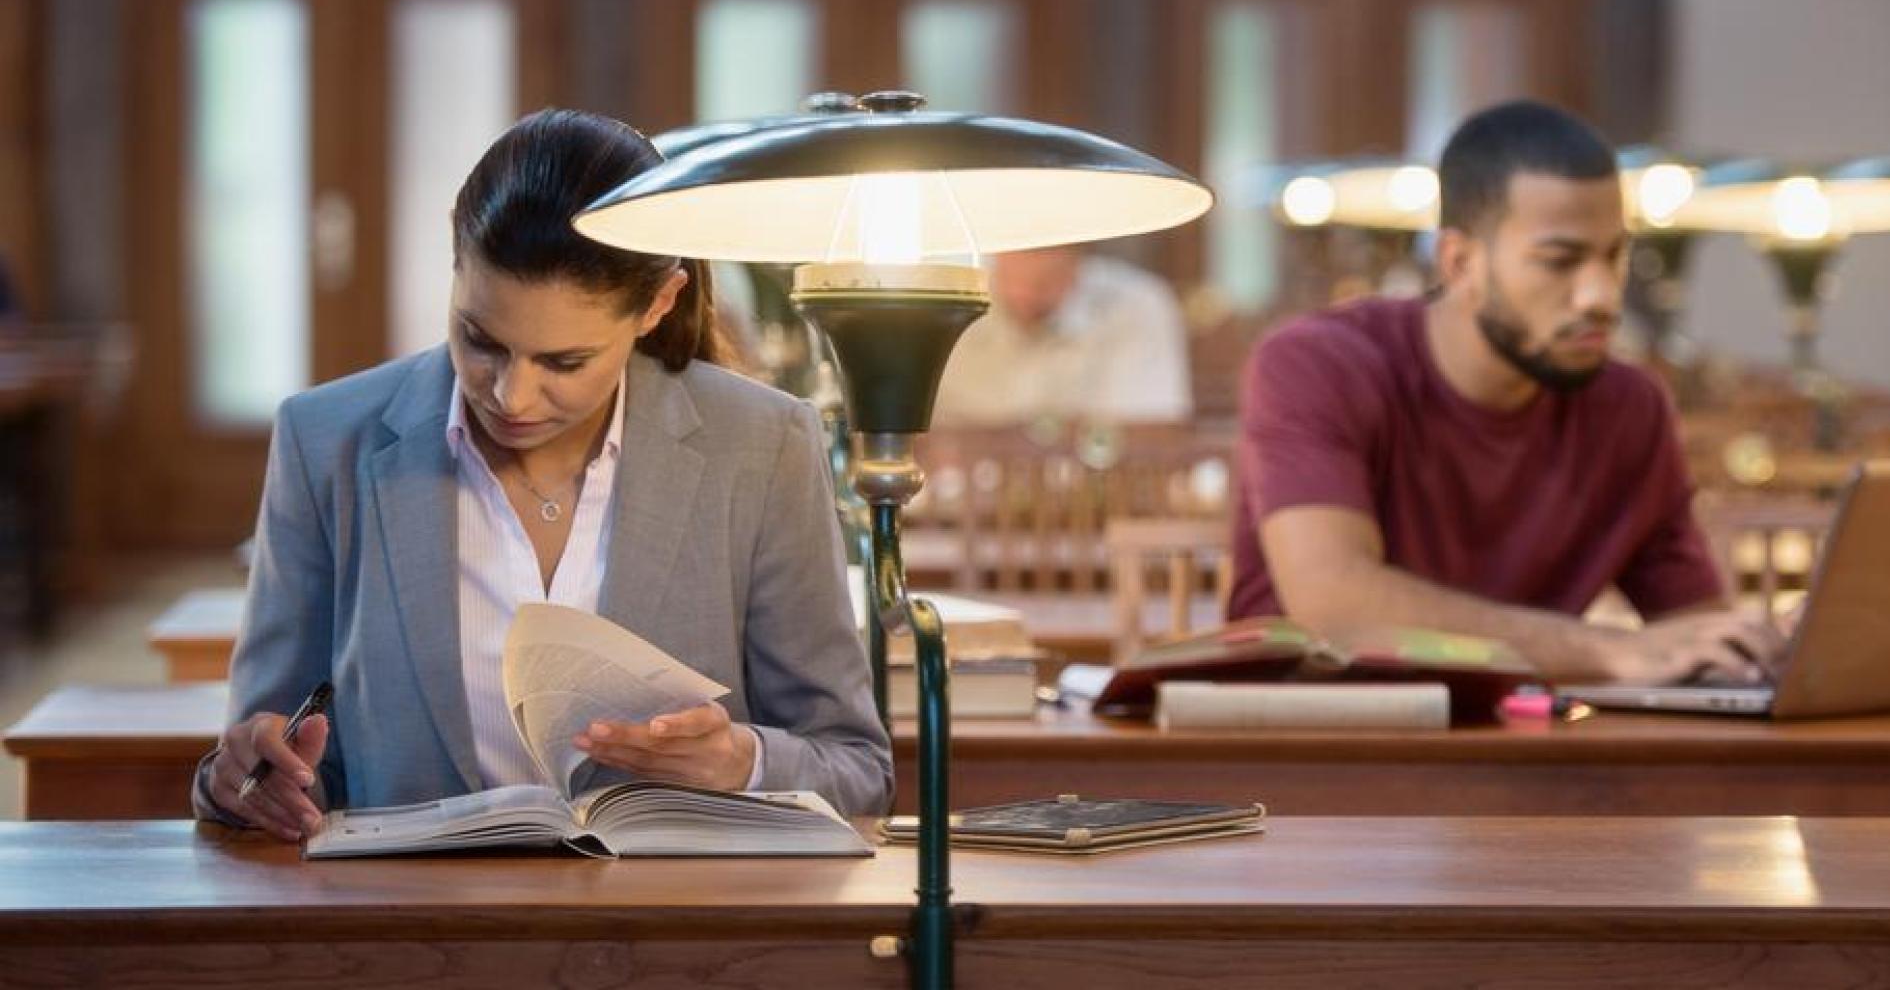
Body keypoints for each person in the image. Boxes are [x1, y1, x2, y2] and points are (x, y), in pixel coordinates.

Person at [192, 109, 891, 841]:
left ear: (658, 304)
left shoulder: (762, 444)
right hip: (410, 931)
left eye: (564, 362)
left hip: (674, 931)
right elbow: (260, 756)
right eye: (480, 340)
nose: (510, 396)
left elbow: (856, 769)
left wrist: (739, 761)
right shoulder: (326, 439)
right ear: (454, 264)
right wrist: (247, 777)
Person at [1227, 100, 1787, 685]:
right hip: (1316, 749)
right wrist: (1608, 650)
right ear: (1460, 261)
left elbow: (1688, 631)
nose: (1601, 296)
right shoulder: (1319, 364)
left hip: (1518, 755)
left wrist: (1762, 648)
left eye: (1614, 256)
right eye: (1560, 261)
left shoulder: (1630, 409)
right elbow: (1335, 607)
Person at [933, 245, 1191, 427]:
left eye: (1045, 279)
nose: (1027, 290)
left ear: (1077, 253)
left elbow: (1145, 430)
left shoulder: (1137, 305)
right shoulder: (949, 306)